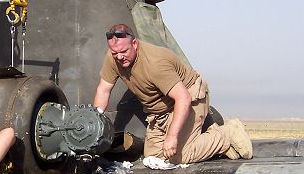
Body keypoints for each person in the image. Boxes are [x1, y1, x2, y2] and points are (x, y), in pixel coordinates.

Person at [92, 24, 252, 164]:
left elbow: (183, 98)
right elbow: (103, 89)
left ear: (135, 43)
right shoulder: (114, 58)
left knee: (179, 155)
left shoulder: (155, 63)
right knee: (154, 157)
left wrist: (172, 136)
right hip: (160, 112)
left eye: (124, 51)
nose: (119, 57)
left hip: (188, 100)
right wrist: (94, 121)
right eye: (114, 53)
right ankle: (214, 146)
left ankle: (227, 134)